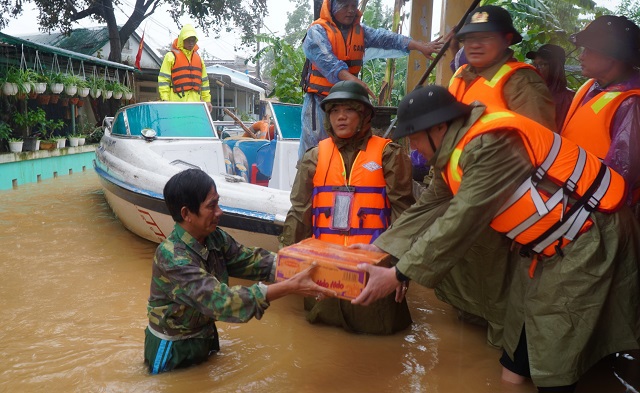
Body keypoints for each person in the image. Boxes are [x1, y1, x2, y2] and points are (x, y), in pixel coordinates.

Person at [350, 85, 640, 392]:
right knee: (515, 348)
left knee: (556, 352)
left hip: (589, 238)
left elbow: (460, 220)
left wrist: (398, 274)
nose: (413, 146)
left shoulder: (491, 144)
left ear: (439, 127)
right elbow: (427, 207)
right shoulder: (453, 154)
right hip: (545, 250)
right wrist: (378, 249)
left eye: (415, 137)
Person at [144, 169, 335, 374]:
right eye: (211, 206)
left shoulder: (214, 237)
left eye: (217, 202)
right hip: (173, 350)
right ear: (186, 214)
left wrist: (305, 266)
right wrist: (288, 287)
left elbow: (249, 260)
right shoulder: (172, 257)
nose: (219, 212)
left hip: (204, 336)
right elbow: (222, 301)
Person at [281, 80, 415, 334]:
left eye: (349, 110)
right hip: (324, 272)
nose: (340, 117)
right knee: (320, 339)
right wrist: (286, 260)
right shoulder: (314, 156)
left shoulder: (389, 155)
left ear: (364, 115)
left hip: (372, 273)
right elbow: (299, 212)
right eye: (334, 111)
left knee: (379, 342)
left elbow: (405, 215)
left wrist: (401, 269)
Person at [298, 0, 448, 161]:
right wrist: (353, 81)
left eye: (353, 6)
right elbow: (327, 62)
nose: (351, 11)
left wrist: (419, 46)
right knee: (314, 151)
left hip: (349, 102)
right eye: (345, 6)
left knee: (347, 150)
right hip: (321, 102)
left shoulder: (361, 32)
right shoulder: (317, 32)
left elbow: (387, 38)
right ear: (332, 6)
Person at [561, 15, 640, 207]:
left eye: (588, 50)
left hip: (593, 209)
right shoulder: (591, 86)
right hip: (567, 195)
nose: (581, 56)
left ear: (613, 56)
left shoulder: (631, 103)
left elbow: (621, 174)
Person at [449, 5, 556, 131]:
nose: (475, 45)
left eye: (485, 37)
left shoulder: (521, 82)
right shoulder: (461, 74)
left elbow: (539, 142)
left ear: (507, 40)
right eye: (469, 38)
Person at [158, 24, 213, 111]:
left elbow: (204, 82)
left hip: (195, 104)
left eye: (193, 40)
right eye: (188, 40)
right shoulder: (171, 56)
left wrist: (207, 100)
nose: (191, 43)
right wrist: (165, 99)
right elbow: (163, 79)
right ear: (182, 40)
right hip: (176, 104)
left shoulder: (199, 59)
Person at [525, 44, 575, 131]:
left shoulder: (569, 99)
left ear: (555, 67)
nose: (537, 69)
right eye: (535, 64)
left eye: (542, 64)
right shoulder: (528, 92)